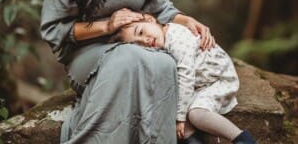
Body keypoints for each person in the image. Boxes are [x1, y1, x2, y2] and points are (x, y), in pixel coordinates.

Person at [40, 0, 216, 143]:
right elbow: (53, 29)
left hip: (138, 43)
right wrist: (107, 26)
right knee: (129, 59)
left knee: (166, 64)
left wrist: (186, 20)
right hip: (86, 54)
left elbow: (159, 7)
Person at [110, 14, 257, 144]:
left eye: (141, 32)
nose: (145, 40)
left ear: (150, 19)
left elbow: (185, 76)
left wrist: (180, 119)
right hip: (198, 82)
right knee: (172, 106)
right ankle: (192, 140)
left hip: (217, 80)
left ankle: (241, 139)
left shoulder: (178, 39)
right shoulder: (161, 41)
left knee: (195, 114)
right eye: (138, 44)